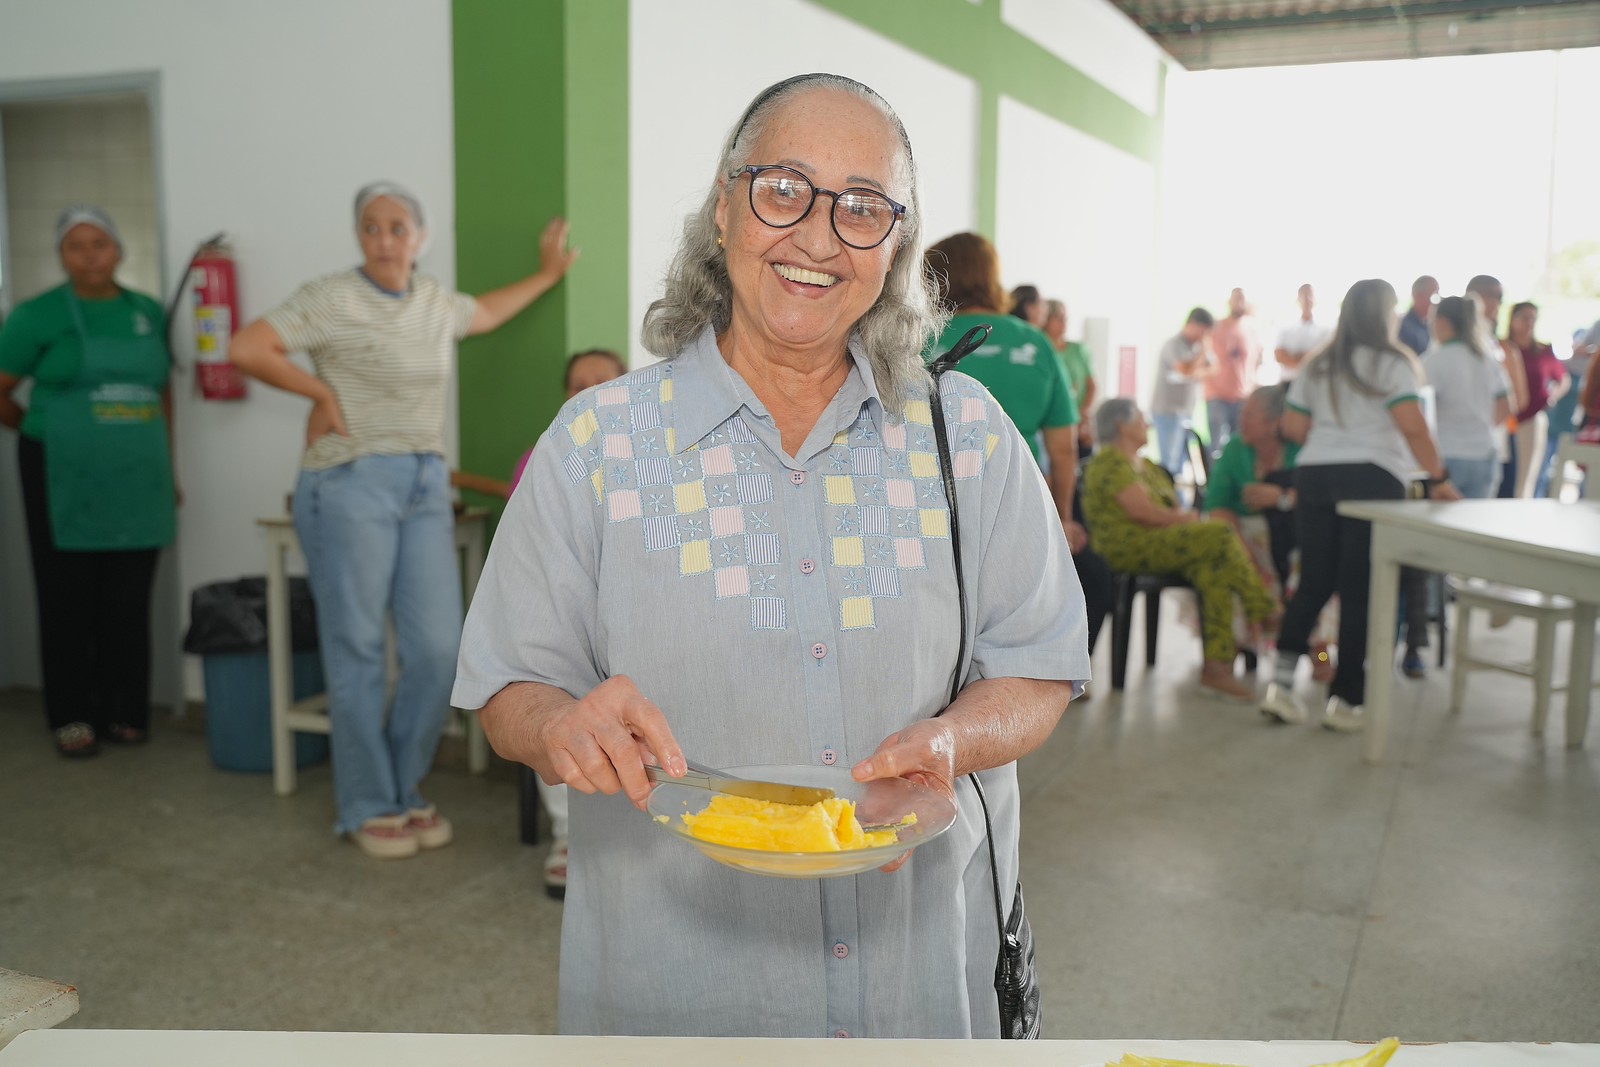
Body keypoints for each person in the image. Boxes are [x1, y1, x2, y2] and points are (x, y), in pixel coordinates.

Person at [452, 74, 1088, 1038]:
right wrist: (559, 726)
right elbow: (508, 686)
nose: (820, 237)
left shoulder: (968, 437)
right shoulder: (597, 445)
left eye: (862, 208)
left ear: (896, 247)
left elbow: (1039, 665)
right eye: (784, 187)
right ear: (725, 206)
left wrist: (955, 739)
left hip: (912, 984)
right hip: (674, 990)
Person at [227, 181, 577, 859]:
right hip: (347, 479)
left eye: (397, 227)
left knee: (441, 650)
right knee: (358, 649)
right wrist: (317, 389)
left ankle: (402, 785)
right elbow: (246, 347)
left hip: (423, 482)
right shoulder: (330, 297)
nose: (384, 239)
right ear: (359, 236)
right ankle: (368, 801)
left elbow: (490, 312)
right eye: (371, 227)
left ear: (420, 237)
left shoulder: (433, 302)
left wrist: (547, 273)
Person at [0, 206, 177, 758]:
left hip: (138, 477)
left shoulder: (146, 311)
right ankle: (72, 714)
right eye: (76, 245)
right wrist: (41, 431)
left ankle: (126, 710)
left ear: (119, 250)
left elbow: (163, 392)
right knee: (66, 596)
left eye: (99, 242)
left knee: (128, 598)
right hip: (61, 474)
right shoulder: (35, 316)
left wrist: (170, 470)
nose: (89, 254)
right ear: (61, 255)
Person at [451, 346, 629, 897]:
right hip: (562, 607)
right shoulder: (548, 456)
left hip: (624, 615)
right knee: (554, 696)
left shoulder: (655, 455)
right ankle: (568, 836)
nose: (587, 393)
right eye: (577, 384)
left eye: (600, 382)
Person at [1259, 280, 1460, 733]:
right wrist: (1440, 480)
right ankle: (1345, 700)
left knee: (1312, 582)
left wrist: (1334, 434)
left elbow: (1293, 426)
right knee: (1358, 589)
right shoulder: (1393, 363)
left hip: (1315, 474)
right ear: (1385, 314)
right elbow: (1412, 427)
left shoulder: (1318, 364)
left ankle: (1281, 688)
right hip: (1372, 475)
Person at [925, 233, 1110, 658]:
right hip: (1018, 505)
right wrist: (1061, 520)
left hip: (932, 509)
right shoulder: (1036, 343)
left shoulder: (915, 334)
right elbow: (1063, 450)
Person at [1081, 398, 1277, 700]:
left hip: (1163, 541)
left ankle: (1216, 667)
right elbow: (1142, 512)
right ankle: (1264, 608)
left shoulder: (1147, 466)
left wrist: (1183, 518)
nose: (1148, 425)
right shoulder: (1108, 461)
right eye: (1141, 420)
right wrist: (1186, 519)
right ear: (1122, 426)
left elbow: (1170, 507)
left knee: (1212, 566)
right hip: (1128, 546)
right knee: (1221, 533)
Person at [1204, 385, 1336, 682]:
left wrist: (1280, 497)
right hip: (1245, 533)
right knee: (1234, 568)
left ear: (1276, 421)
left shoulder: (1302, 449)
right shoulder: (1236, 449)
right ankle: (1235, 651)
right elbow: (1217, 507)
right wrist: (1241, 552)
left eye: (1250, 414)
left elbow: (1323, 498)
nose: (1241, 420)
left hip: (1296, 533)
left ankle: (1322, 654)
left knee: (1312, 568)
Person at [1421, 295, 1512, 499]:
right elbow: (1506, 405)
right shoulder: (1488, 360)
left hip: (1446, 455)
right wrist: (1480, 425)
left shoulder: (1433, 362)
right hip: (1485, 453)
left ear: (1442, 321)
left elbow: (1421, 410)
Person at [1465, 275, 1525, 499]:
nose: (1499, 304)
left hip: (1495, 437)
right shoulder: (1460, 345)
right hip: (1470, 442)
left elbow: (1516, 401)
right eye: (1496, 296)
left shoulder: (1496, 344)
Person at [1505, 301, 1567, 498]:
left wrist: (1552, 395)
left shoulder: (1542, 351)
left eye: (1532, 318)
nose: (1528, 323)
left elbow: (1561, 378)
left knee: (1525, 476)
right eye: (1524, 317)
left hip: (1531, 419)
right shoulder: (1503, 348)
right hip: (1504, 419)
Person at [1151, 307, 1214, 481]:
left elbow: (1213, 368)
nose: (1205, 336)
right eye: (1204, 330)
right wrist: (1200, 357)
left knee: (1181, 462)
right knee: (1169, 464)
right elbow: (1184, 369)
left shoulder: (1195, 347)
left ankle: (1179, 502)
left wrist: (1195, 368)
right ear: (1193, 324)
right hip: (1168, 411)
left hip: (1186, 411)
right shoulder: (1174, 344)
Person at [1204, 288, 1261, 457]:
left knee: (1241, 444)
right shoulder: (1216, 328)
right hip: (1217, 397)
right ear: (1229, 302)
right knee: (1217, 447)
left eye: (1243, 300)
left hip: (1242, 398)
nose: (1240, 304)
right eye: (1236, 299)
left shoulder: (1251, 329)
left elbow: (1255, 361)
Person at [1535, 329, 1588, 496]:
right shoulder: (1561, 365)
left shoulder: (1587, 375)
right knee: (1541, 470)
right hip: (1551, 427)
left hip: (1570, 430)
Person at [1043, 298, 1097, 455]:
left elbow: (1091, 385)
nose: (1063, 324)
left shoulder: (1078, 349)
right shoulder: (1040, 352)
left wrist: (1083, 414)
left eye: (1064, 318)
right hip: (1053, 425)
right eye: (1058, 318)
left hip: (1080, 421)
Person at [1273, 284, 1332, 381]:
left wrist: (1295, 356)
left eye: (1310, 295)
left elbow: (1325, 356)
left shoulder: (1326, 328)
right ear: (1298, 299)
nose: (1307, 299)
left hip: (1314, 382)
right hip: (1289, 382)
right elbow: (1279, 356)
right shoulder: (1285, 326)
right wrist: (1309, 357)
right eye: (1304, 296)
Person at [1397, 275, 1438, 358]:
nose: (1436, 302)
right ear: (1418, 297)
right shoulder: (1405, 328)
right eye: (1434, 297)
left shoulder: (1430, 325)